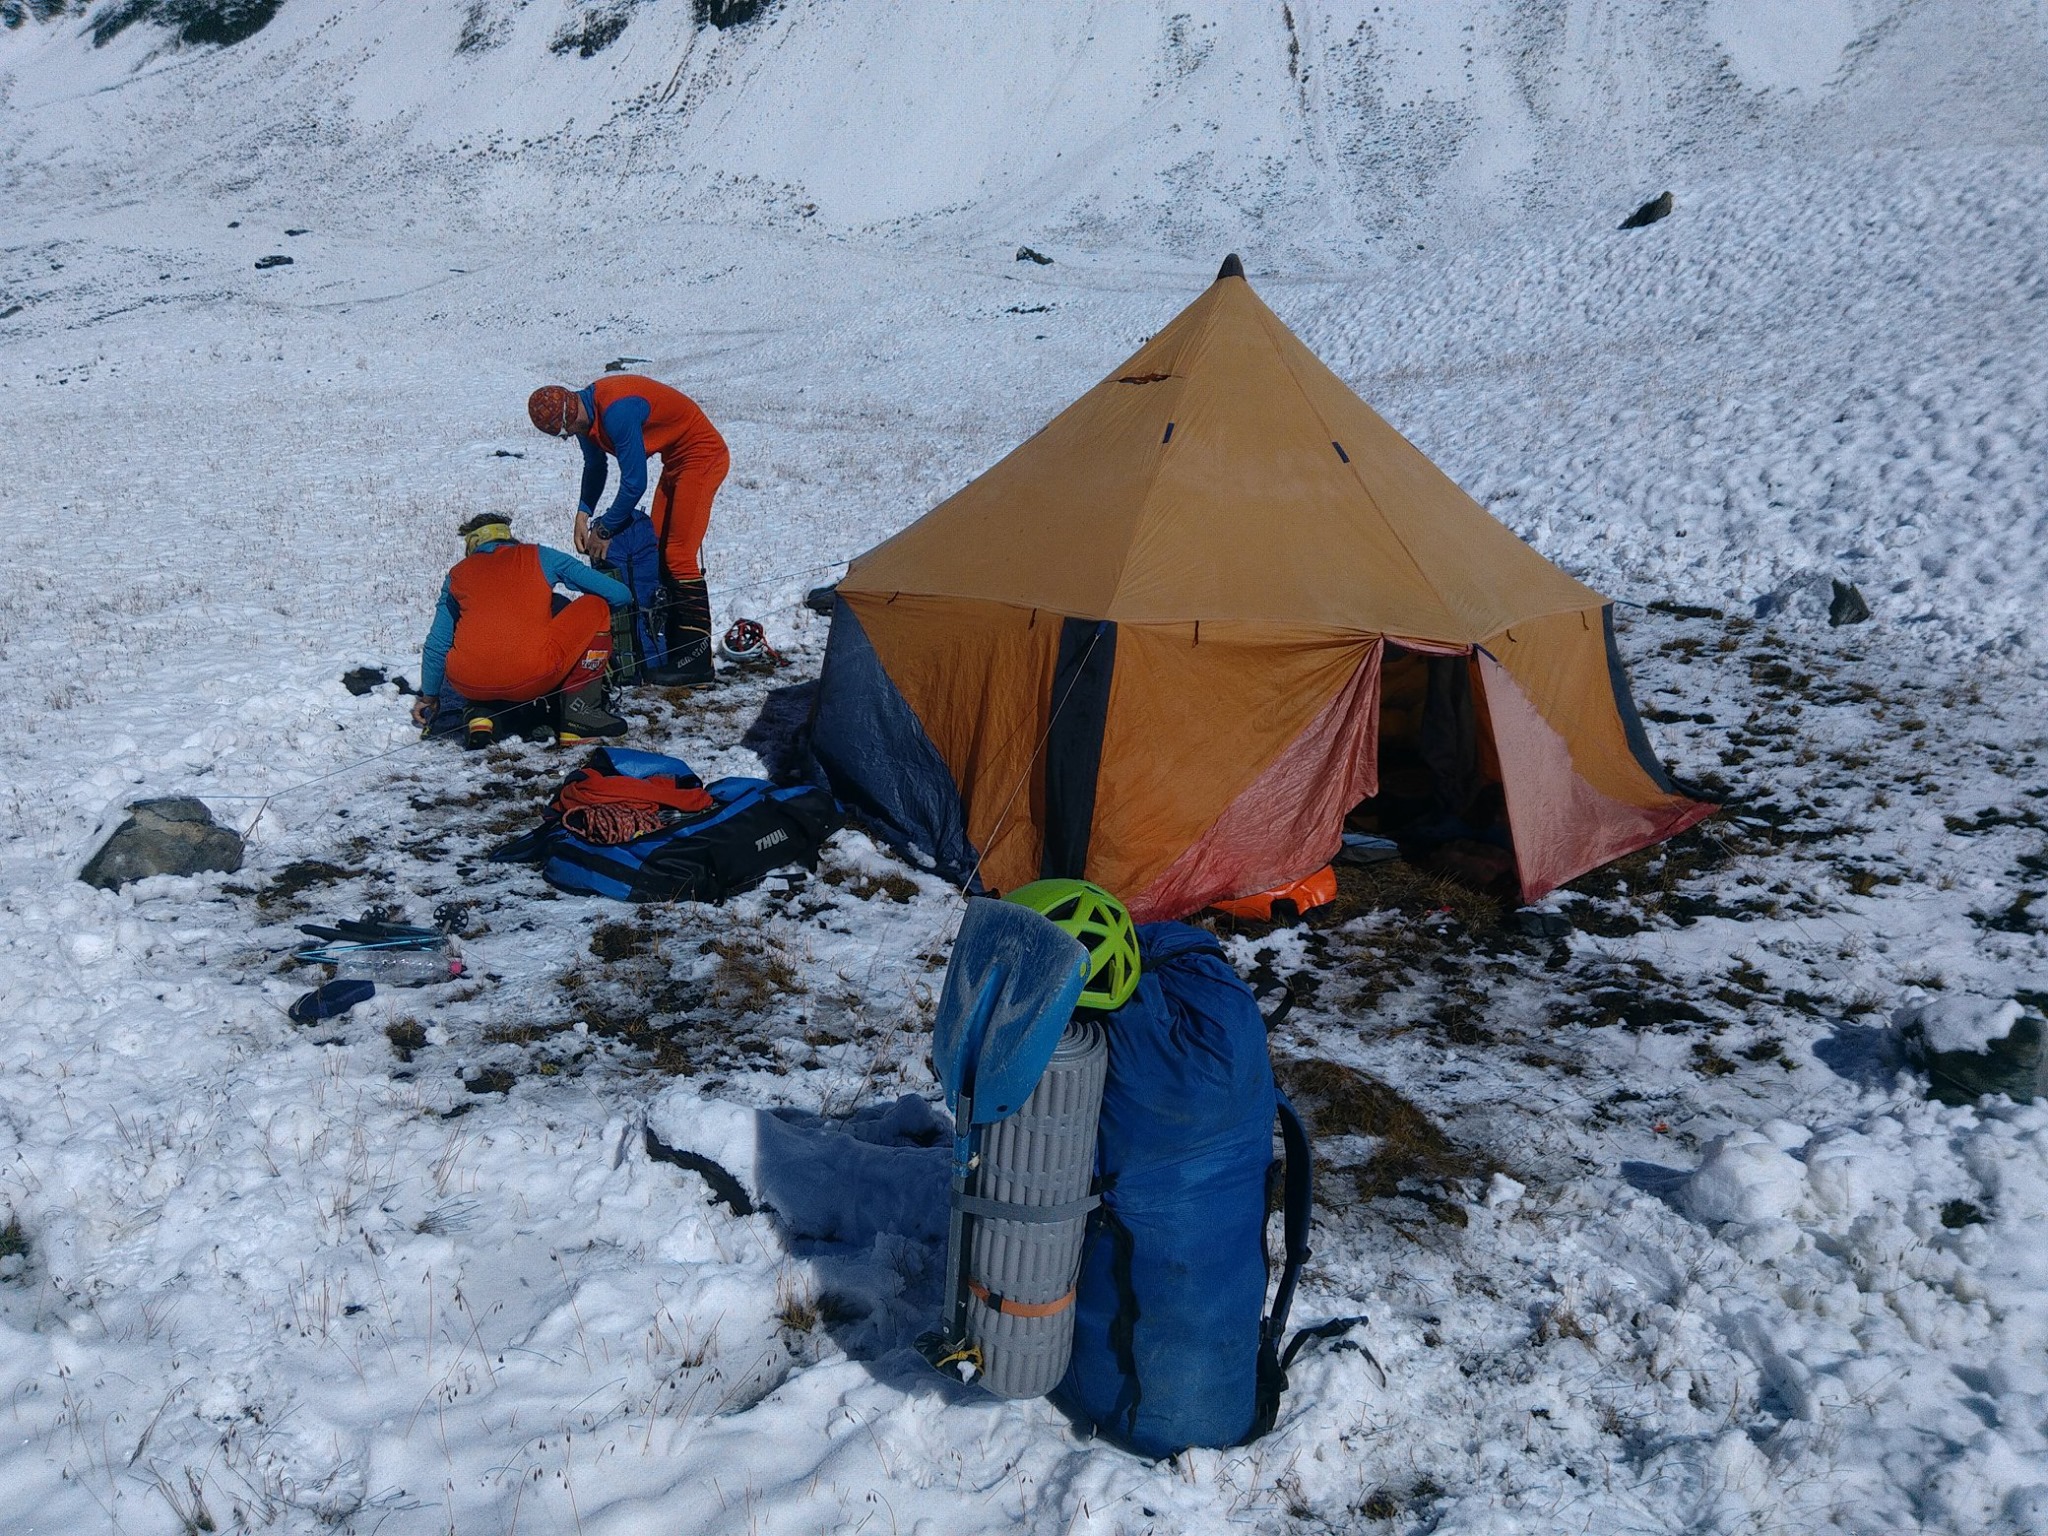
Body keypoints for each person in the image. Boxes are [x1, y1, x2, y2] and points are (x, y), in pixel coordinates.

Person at [527, 374, 730, 686]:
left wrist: (605, 529)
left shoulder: (616, 411)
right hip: (675, 461)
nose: (568, 437)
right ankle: (672, 647)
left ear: (570, 411)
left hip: (702, 455)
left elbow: (635, 483)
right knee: (657, 546)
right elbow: (595, 467)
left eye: (566, 432)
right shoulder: (583, 412)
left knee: (678, 554)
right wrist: (583, 515)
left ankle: (696, 661)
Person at [412, 513, 632, 748]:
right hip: (533, 675)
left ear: (471, 547)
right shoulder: (539, 556)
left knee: (476, 628)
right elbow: (619, 594)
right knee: (595, 606)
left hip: (469, 681)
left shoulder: (457, 574)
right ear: (509, 537)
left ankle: (481, 715)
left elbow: (437, 642)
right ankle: (580, 716)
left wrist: (429, 697)